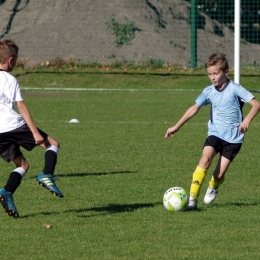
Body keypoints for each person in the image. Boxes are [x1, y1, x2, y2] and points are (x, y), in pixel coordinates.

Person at [165, 53, 260, 210]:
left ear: (226, 72)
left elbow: (256, 104)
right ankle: (192, 199)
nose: (212, 77)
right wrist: (177, 126)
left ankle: (213, 185)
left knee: (219, 175)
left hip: (234, 139)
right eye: (210, 74)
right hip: (215, 134)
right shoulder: (209, 91)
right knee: (205, 160)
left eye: (216, 73)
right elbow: (194, 108)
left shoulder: (235, 89)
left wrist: (247, 120)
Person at [0, 38, 63, 219]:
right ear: (11, 60)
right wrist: (35, 132)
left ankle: (7, 191)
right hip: (13, 126)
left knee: (23, 165)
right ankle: (47, 175)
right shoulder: (10, 80)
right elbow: (21, 106)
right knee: (53, 144)